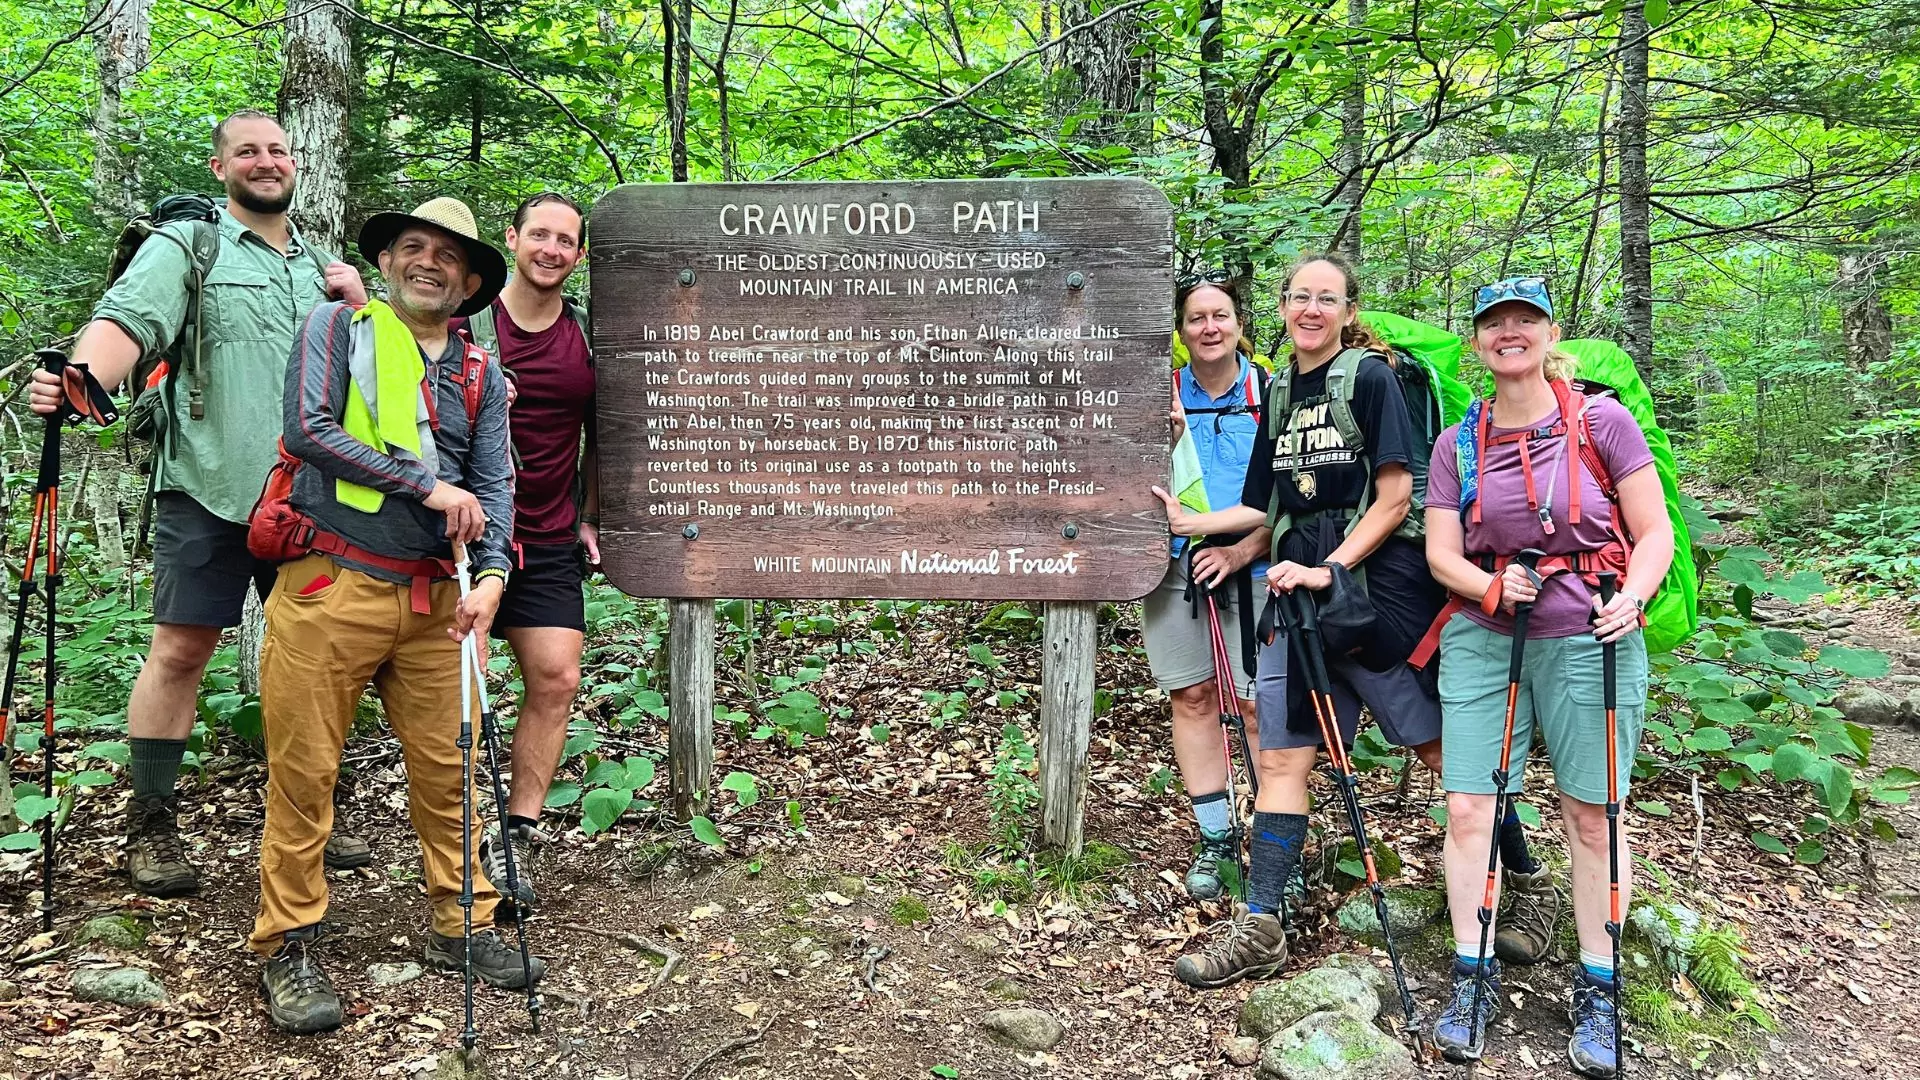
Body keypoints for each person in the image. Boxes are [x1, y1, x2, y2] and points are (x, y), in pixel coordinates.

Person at [1154, 254, 1528, 989]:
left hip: (1374, 600)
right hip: (1296, 602)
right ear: (1284, 307)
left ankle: (1529, 878)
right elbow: (1266, 504)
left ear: (1349, 309)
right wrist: (1193, 522)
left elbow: (1395, 499)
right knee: (1284, 759)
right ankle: (1261, 925)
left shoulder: (1371, 379)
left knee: (1437, 750)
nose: (1312, 310)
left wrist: (1334, 570)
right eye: (1300, 298)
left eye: (1327, 299)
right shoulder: (1282, 389)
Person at [26, 110, 369, 897]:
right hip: (209, 490)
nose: (267, 161)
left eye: (278, 149)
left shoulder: (324, 267)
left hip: (316, 506)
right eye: (248, 151)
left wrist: (365, 308)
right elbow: (127, 323)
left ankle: (314, 808)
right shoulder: (188, 247)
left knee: (319, 664)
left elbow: (377, 375)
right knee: (181, 653)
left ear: (295, 163)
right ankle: (151, 821)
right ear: (220, 168)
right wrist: (81, 382)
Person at [248, 197, 544, 1034]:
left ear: (472, 280)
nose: (428, 263)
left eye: (448, 256)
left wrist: (491, 578)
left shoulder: (479, 373)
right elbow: (307, 430)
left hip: (438, 601)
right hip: (330, 585)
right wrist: (424, 485)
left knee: (452, 772)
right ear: (384, 264)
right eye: (412, 248)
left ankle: (464, 922)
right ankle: (287, 944)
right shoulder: (335, 332)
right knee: (304, 774)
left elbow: (496, 483)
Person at [1423, 276, 1673, 1077]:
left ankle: (1600, 984)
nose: (1509, 333)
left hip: (1588, 631)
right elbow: (1440, 553)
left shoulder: (1601, 420)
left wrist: (1632, 598)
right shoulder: (1460, 441)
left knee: (1593, 816)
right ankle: (1473, 972)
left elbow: (1654, 530)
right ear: (1476, 342)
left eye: (1523, 319)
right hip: (1484, 633)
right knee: (1469, 808)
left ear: (1548, 331)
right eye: (1494, 323)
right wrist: (1489, 586)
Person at [457, 192, 598, 915]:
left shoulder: (586, 335)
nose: (550, 249)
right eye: (539, 234)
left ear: (578, 254)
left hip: (547, 533)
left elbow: (610, 426)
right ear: (512, 238)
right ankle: (461, 839)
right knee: (466, 691)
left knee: (556, 676)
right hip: (468, 536)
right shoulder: (468, 326)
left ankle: (519, 834)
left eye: (565, 240)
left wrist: (592, 512)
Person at [1140, 271, 1269, 900]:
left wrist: (1242, 550)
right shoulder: (1155, 396)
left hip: (1261, 573)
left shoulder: (1272, 395)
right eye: (1196, 318)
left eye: (1220, 315)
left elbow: (1299, 499)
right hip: (1171, 569)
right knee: (1191, 697)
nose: (1209, 328)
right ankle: (1215, 838)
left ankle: (1275, 844)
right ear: (1181, 329)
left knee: (1254, 705)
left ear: (1239, 323)